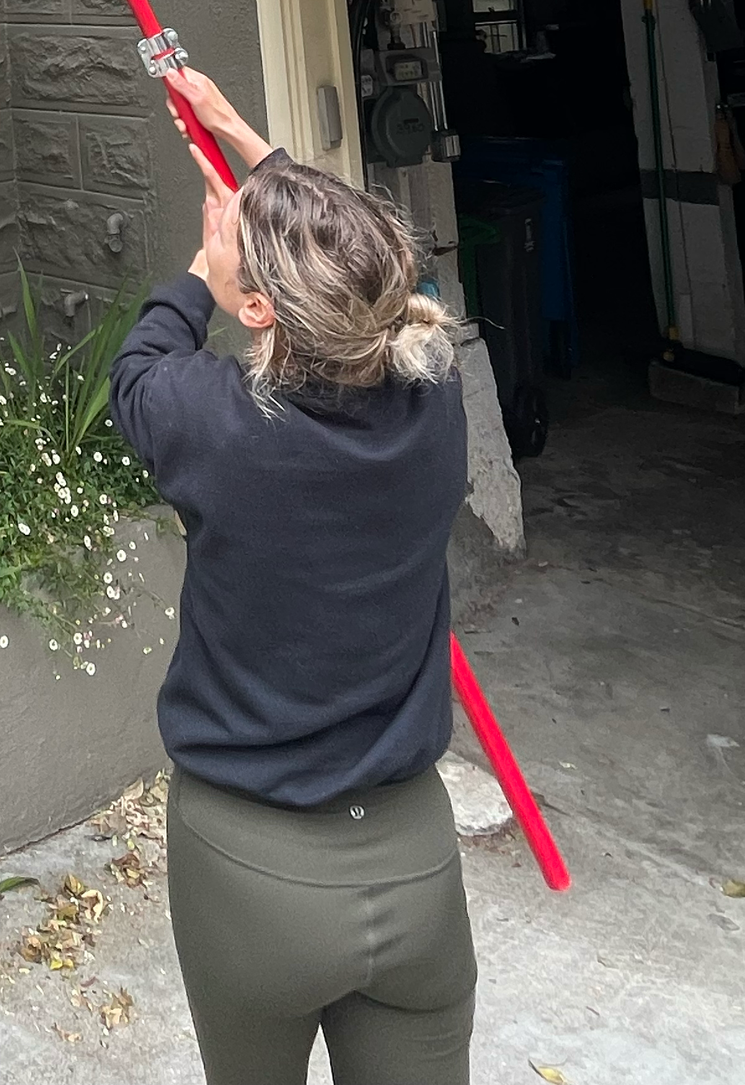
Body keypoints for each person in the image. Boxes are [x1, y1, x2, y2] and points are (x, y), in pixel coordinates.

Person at [109, 64, 475, 1085]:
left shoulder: (214, 429)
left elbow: (139, 364)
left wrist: (203, 269)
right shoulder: (437, 403)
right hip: (415, 866)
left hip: (249, 870)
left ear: (261, 312)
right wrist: (237, 134)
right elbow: (359, 276)